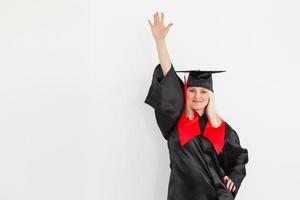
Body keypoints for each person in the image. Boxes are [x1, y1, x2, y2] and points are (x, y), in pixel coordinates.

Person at [145, 12, 249, 200]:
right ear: (185, 92)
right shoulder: (176, 120)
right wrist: (160, 41)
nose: (198, 96)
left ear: (210, 96)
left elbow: (239, 159)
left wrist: (232, 178)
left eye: (203, 92)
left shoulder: (222, 129)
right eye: (192, 90)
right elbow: (169, 77)